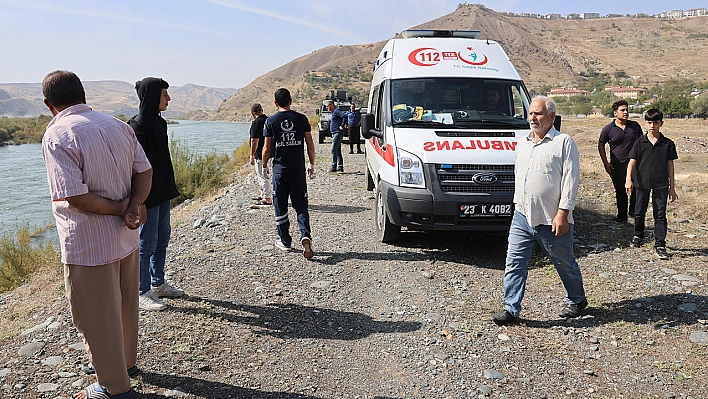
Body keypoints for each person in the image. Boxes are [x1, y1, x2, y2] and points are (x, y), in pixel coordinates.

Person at [41, 70, 152, 399]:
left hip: (89, 244)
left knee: (96, 315)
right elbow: (144, 171)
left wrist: (122, 208)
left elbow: (75, 196)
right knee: (125, 304)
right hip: (127, 238)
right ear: (84, 95)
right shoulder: (117, 125)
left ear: (48, 104)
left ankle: (113, 387)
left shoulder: (58, 134)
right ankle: (126, 364)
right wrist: (133, 205)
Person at [491, 95, 587, 326]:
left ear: (552, 117)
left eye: (538, 114)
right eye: (531, 113)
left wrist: (563, 213)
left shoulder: (564, 142)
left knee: (564, 263)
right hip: (522, 217)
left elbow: (570, 180)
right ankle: (511, 308)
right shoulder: (522, 143)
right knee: (514, 263)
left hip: (552, 218)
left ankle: (577, 300)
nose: (533, 118)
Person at [128, 77, 183, 312]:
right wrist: (137, 200)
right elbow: (132, 167)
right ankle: (141, 291)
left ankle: (157, 283)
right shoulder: (136, 127)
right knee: (146, 242)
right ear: (152, 97)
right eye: (164, 94)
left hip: (163, 192)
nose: (168, 98)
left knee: (162, 238)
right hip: (147, 197)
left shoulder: (161, 124)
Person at [261, 88, 316, 259]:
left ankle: (285, 241)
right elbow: (310, 145)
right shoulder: (302, 119)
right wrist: (311, 164)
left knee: (280, 205)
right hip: (297, 170)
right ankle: (305, 235)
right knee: (300, 205)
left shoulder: (270, 121)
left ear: (275, 103)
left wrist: (264, 166)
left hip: (280, 171)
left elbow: (267, 148)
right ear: (291, 101)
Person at [625, 108, 678, 260]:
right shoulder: (639, 142)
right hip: (641, 183)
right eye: (649, 122)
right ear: (645, 123)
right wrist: (629, 180)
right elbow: (632, 162)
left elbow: (670, 166)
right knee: (639, 211)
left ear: (661, 123)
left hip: (661, 184)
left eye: (655, 122)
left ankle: (660, 244)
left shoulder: (668, 144)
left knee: (660, 214)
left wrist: (672, 188)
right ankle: (638, 235)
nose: (652, 125)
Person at [598, 100, 642, 223]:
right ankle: (622, 217)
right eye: (622, 110)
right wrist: (606, 163)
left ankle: (633, 212)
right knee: (620, 191)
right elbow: (601, 145)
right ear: (615, 113)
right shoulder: (608, 129)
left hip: (634, 163)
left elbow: (641, 142)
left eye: (627, 110)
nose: (626, 112)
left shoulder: (635, 126)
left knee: (636, 188)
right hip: (616, 165)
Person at [249, 103, 272, 205]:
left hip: (260, 153)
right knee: (266, 174)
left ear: (252, 113)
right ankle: (263, 194)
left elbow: (254, 140)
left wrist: (251, 154)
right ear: (262, 110)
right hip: (271, 152)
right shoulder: (269, 120)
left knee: (262, 175)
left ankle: (267, 198)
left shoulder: (256, 123)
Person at [327, 99, 346, 172]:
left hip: (337, 133)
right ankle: (340, 167)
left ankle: (333, 166)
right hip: (334, 133)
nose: (327, 108)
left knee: (333, 150)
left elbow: (344, 116)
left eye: (327, 106)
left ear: (332, 105)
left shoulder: (337, 111)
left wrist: (342, 125)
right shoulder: (334, 112)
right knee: (337, 151)